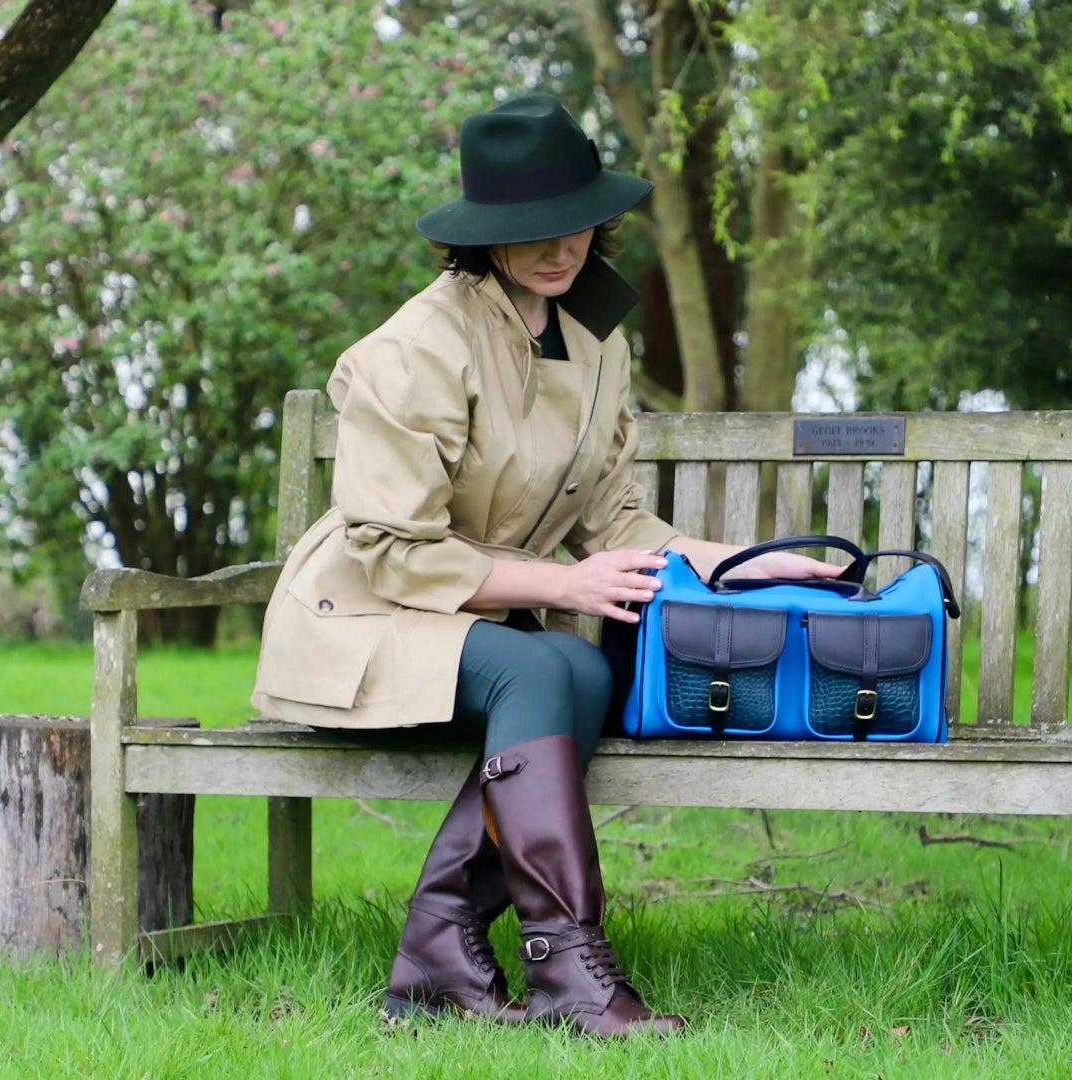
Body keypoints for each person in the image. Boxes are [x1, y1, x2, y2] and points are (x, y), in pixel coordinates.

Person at [251, 94, 842, 1038]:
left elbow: (613, 520)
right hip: (363, 610)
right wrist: (566, 587)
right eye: (530, 231)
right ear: (483, 235)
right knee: (546, 659)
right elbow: (394, 549)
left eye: (574, 222)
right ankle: (567, 969)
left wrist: (753, 564)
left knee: (587, 663)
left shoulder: (598, 336)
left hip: (482, 615)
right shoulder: (414, 348)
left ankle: (443, 945)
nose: (558, 247)